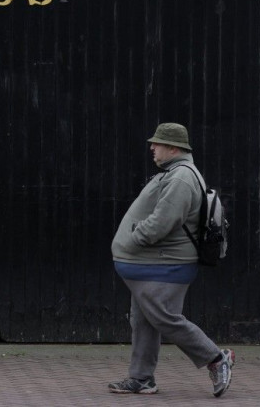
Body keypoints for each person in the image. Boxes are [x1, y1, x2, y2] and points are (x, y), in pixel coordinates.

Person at [107, 123, 234, 397]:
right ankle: (141, 379)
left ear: (174, 148)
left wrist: (131, 239)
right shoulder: (175, 173)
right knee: (144, 320)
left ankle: (216, 358)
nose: (152, 148)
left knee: (164, 318)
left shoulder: (181, 178)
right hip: (158, 264)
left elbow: (162, 223)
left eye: (158, 143)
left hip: (167, 264)